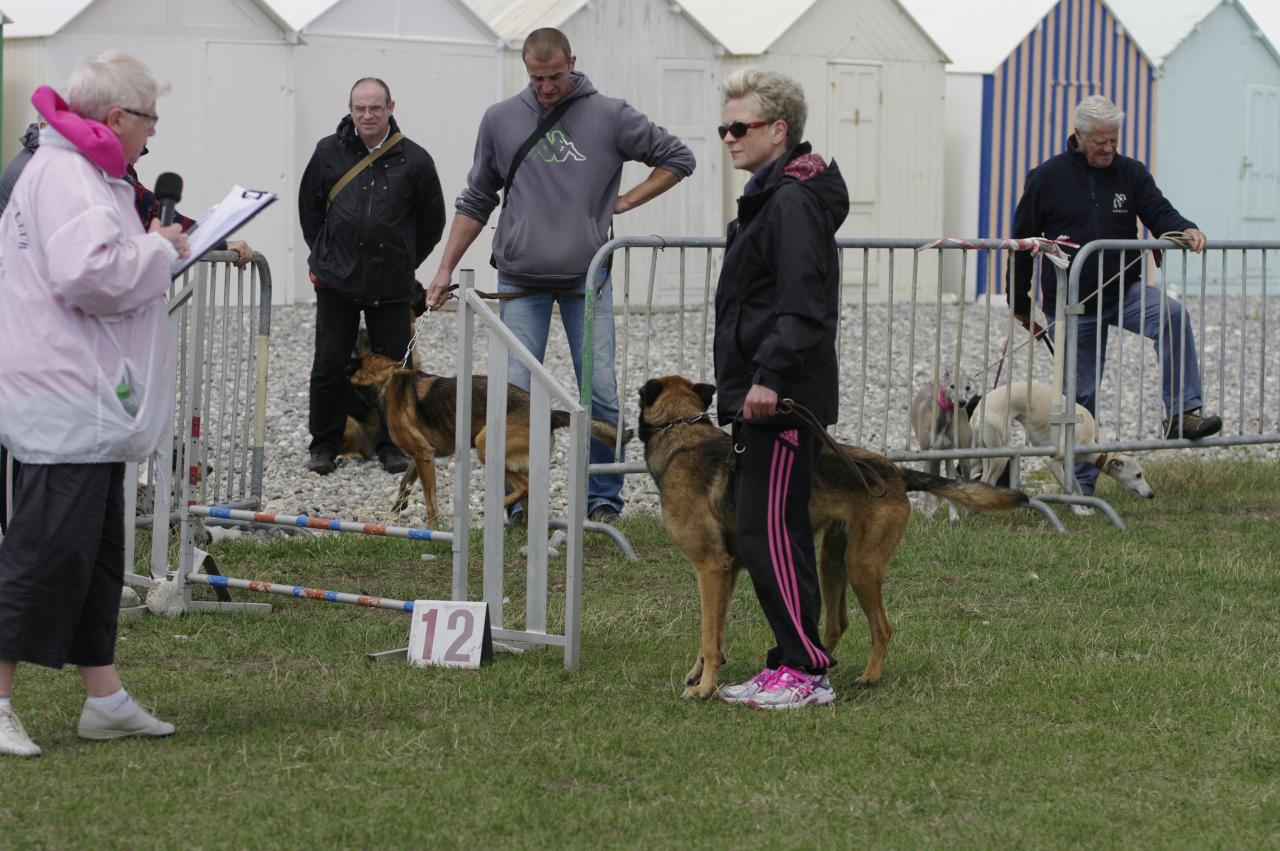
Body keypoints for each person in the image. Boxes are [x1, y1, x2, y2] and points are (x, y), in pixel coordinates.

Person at [0, 50, 191, 757]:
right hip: (64, 394)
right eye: (149, 120)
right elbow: (89, 274)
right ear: (117, 117)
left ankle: (104, 695)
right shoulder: (70, 176)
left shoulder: (82, 171)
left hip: (87, 398)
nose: (151, 136)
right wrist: (160, 250)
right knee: (42, 552)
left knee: (95, 555)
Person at [424, 27, 695, 524]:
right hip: (519, 279)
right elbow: (477, 198)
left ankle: (603, 501)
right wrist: (444, 268)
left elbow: (678, 158)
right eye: (536, 78)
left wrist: (628, 201)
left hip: (586, 280)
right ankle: (519, 502)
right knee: (512, 395)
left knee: (601, 392)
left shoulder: (610, 115)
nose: (546, 87)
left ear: (573, 61)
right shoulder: (500, 119)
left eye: (554, 76)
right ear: (525, 69)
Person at [712, 69, 848, 709]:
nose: (729, 138)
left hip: (783, 398)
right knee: (763, 529)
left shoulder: (792, 204)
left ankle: (806, 669)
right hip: (759, 394)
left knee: (769, 531)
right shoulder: (773, 197)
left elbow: (802, 306)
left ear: (778, 129)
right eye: (724, 128)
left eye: (740, 127)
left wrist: (766, 379)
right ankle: (787, 659)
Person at [1010, 94, 1222, 496]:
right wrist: (1020, 302)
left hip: (1124, 291)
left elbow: (1159, 212)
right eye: (1100, 142)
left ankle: (1182, 413)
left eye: (1114, 140)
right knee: (1081, 397)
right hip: (1071, 305)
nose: (1109, 148)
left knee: (1172, 316)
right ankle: (1081, 489)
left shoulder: (1131, 173)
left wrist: (1186, 228)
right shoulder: (1045, 178)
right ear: (1078, 135)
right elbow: (1023, 241)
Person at [299, 77, 446, 476]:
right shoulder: (328, 152)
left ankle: (393, 444)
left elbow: (432, 223)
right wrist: (324, 254)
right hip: (337, 281)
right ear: (350, 109)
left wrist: (403, 261)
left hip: (391, 285)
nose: (367, 115)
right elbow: (310, 209)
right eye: (360, 108)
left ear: (390, 107)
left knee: (395, 370)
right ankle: (324, 445)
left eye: (375, 108)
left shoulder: (416, 160)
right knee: (329, 365)